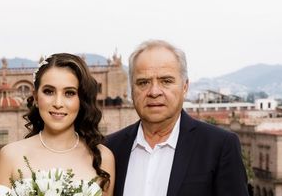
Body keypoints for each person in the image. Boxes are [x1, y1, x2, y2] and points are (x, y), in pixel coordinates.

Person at [105, 40, 249, 196]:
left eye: (166, 81)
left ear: (185, 87)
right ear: (132, 90)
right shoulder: (110, 149)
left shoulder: (219, 147)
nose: (154, 92)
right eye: (143, 82)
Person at [0, 53, 115, 195]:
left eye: (69, 93)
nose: (58, 103)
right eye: (49, 91)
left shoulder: (103, 158)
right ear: (36, 97)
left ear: (81, 100)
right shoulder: (10, 156)